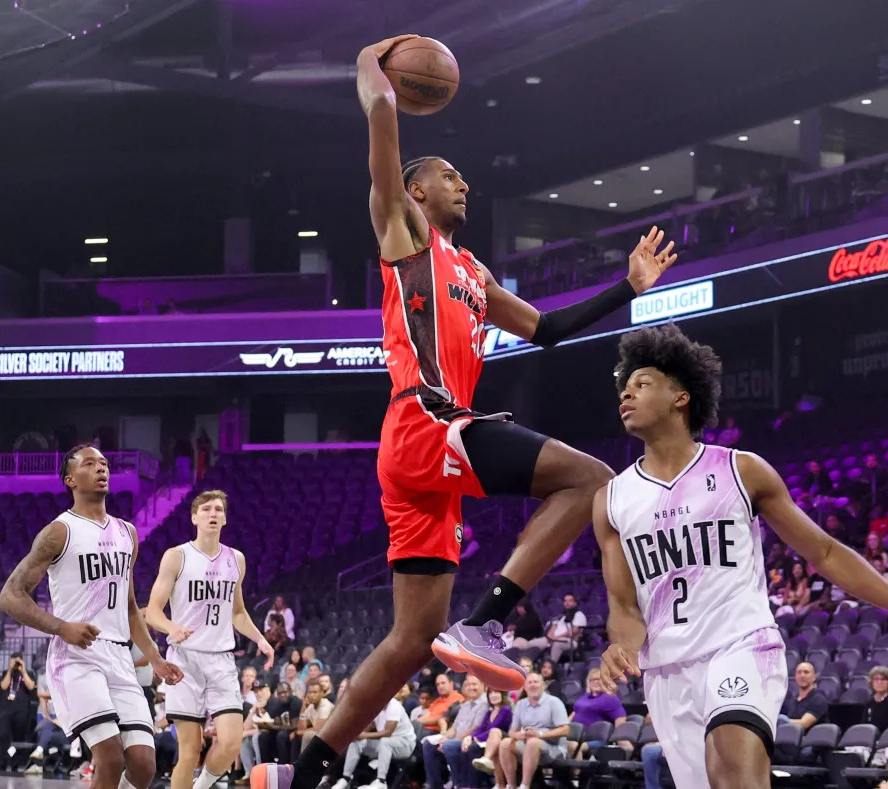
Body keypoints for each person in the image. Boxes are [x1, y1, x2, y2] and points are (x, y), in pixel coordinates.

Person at [279, 34, 683, 789]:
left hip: (426, 451)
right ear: (417, 190)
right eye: (448, 174)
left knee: (410, 639)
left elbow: (550, 330)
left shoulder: (473, 272)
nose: (462, 183)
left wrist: (628, 287)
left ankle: (307, 770)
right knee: (590, 478)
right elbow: (383, 121)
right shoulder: (404, 232)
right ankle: (491, 620)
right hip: (422, 422)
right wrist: (371, 60)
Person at [595, 325, 888, 789]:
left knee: (732, 766)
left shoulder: (741, 470)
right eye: (625, 384)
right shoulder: (612, 499)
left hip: (739, 647)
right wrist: (620, 645)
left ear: (681, 397)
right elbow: (623, 607)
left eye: (641, 383)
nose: (626, 391)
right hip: (667, 672)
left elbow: (824, 551)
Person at [0, 444, 183, 789]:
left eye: (104, 463)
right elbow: (10, 596)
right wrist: (61, 627)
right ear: (70, 479)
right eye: (90, 464)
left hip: (119, 657)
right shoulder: (59, 531)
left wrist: (155, 659)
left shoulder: (127, 532)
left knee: (143, 765)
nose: (101, 469)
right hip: (77, 657)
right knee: (110, 758)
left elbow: (128, 606)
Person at [146, 489, 276, 789]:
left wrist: (261, 639)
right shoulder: (177, 556)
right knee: (190, 750)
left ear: (225, 518)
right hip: (184, 661)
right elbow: (152, 611)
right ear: (194, 517)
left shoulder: (236, 559)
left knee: (230, 744)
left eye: (218, 509)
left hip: (221, 660)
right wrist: (171, 627)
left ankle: (202, 786)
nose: (213, 513)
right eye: (206, 509)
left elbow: (239, 612)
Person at [494, 673, 568, 789]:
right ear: (525, 687)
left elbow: (565, 730)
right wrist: (518, 735)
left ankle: (525, 785)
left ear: (543, 686)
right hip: (526, 744)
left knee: (533, 742)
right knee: (505, 743)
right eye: (529, 682)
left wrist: (540, 734)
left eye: (536, 682)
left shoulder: (554, 702)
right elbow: (512, 732)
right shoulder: (520, 704)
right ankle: (511, 785)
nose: (532, 685)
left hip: (553, 748)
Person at [331, 689, 414, 789]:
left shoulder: (394, 707)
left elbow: (388, 733)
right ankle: (346, 778)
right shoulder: (374, 705)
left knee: (385, 742)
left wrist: (364, 735)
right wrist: (357, 735)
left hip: (405, 745)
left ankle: (381, 782)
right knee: (357, 742)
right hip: (385, 745)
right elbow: (368, 725)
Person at [420, 674, 484, 789]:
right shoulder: (466, 704)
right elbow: (454, 726)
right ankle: (435, 785)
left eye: (474, 684)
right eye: (468, 685)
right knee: (429, 744)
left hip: (471, 739)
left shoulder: (484, 703)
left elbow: (476, 727)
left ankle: (460, 784)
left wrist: (452, 739)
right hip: (457, 738)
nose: (471, 687)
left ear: (482, 685)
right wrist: (444, 737)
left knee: (449, 745)